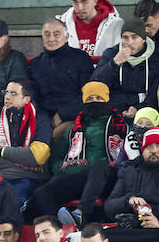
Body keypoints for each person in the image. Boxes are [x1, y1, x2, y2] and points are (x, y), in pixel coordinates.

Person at [26, 82, 127, 225]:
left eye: (98, 98)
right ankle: (59, 228)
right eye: (90, 99)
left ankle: (81, 214)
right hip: (78, 176)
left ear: (107, 101)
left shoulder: (120, 126)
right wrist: (64, 167)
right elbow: (56, 158)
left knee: (101, 165)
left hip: (109, 178)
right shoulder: (71, 129)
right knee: (42, 193)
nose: (94, 102)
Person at [0, 79, 50, 206]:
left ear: (26, 99)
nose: (7, 97)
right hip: (1, 176)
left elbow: (38, 156)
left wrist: (2, 151)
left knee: (14, 199)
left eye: (13, 93)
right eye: (6, 92)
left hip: (30, 177)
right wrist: (23, 161)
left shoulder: (41, 121)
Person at [29, 18, 95, 134]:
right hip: (43, 118)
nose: (51, 39)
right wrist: (43, 118)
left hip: (74, 116)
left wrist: (63, 114)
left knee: (55, 135)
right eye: (47, 34)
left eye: (56, 34)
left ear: (66, 36)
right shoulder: (36, 63)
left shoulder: (81, 59)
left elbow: (88, 93)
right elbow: (34, 97)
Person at [92, 17, 159, 114]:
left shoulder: (156, 58)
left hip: (144, 112)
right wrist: (115, 63)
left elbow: (156, 93)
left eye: (134, 37)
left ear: (143, 39)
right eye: (125, 37)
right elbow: (95, 85)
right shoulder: (111, 54)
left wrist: (138, 109)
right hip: (113, 109)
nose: (129, 42)